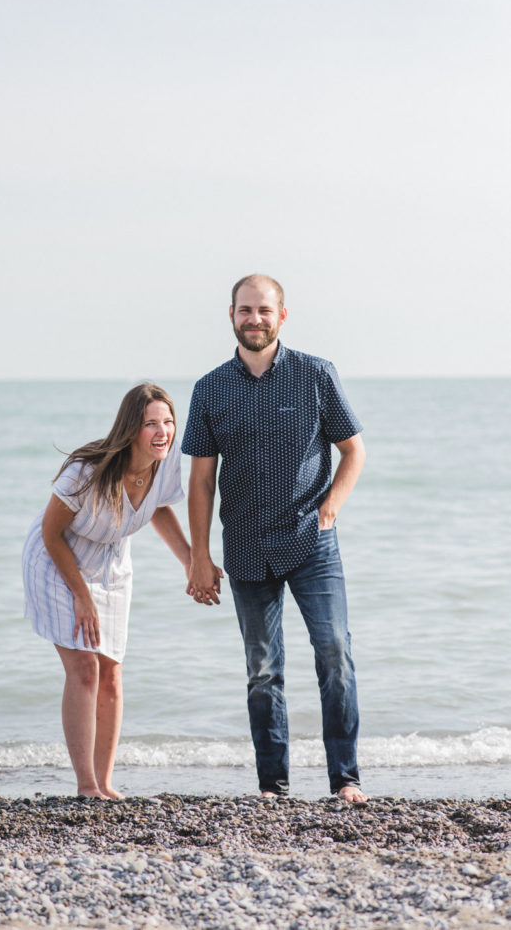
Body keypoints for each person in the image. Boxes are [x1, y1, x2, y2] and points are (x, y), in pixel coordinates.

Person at [182, 274, 368, 803]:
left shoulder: (315, 374)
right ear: (232, 316)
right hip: (245, 547)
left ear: (281, 315)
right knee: (263, 671)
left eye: (264, 310)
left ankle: (346, 780)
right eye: (245, 310)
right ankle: (274, 788)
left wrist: (330, 507)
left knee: (335, 655)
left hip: (312, 542)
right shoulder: (209, 389)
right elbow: (200, 480)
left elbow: (353, 450)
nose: (254, 319)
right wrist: (199, 555)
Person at [23, 383, 191, 800]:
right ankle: (85, 786)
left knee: (112, 674)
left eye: (168, 422)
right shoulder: (86, 468)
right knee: (85, 667)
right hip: (57, 561)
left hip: (112, 565)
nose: (162, 432)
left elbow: (159, 508)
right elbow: (50, 533)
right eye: (151, 423)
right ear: (131, 428)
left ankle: (105, 783)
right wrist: (80, 595)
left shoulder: (164, 463)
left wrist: (191, 561)